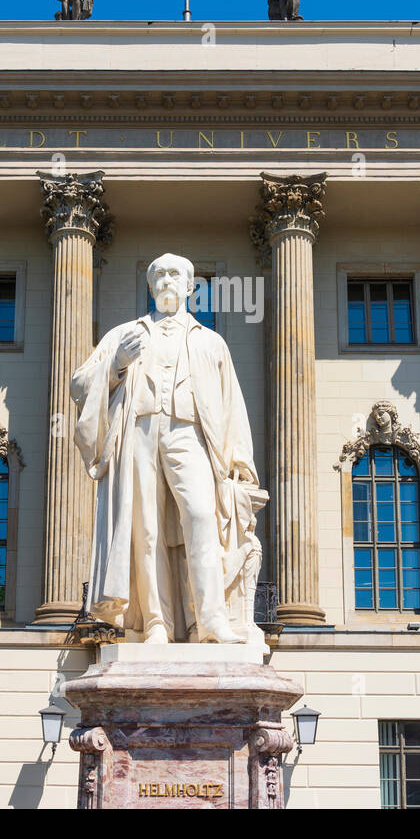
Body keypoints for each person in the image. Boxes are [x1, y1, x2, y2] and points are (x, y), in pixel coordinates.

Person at [70, 253, 265, 643]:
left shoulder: (211, 342)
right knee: (147, 528)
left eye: (175, 274)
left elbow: (231, 404)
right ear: (149, 286)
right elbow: (79, 383)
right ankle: (158, 622)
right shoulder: (124, 335)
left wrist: (241, 457)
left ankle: (211, 620)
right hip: (139, 430)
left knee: (201, 516)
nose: (165, 280)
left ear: (191, 287)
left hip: (190, 434)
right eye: (157, 274)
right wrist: (117, 365)